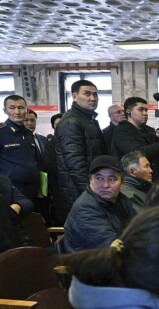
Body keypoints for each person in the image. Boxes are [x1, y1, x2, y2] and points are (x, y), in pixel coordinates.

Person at [55, 79, 108, 219]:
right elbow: (75, 163)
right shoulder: (71, 121)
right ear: (74, 96)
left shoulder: (88, 119)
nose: (92, 98)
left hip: (93, 186)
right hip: (80, 192)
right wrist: (91, 192)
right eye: (87, 94)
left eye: (95, 94)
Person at [63, 155, 135, 253]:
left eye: (112, 179)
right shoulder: (85, 209)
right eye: (99, 178)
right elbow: (111, 248)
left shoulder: (121, 199)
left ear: (122, 183)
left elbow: (138, 230)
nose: (105, 185)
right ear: (90, 180)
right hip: (92, 264)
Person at [112, 96, 159, 180]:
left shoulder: (149, 130)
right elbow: (137, 153)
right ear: (128, 112)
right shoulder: (121, 131)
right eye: (141, 109)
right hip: (134, 180)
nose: (145, 113)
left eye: (146, 110)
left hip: (154, 177)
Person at [0, 95, 39, 200]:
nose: (17, 112)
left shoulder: (28, 134)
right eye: (12, 108)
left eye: (21, 107)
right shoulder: (1, 132)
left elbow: (34, 161)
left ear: (26, 110)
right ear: (5, 110)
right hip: (11, 191)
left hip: (32, 189)